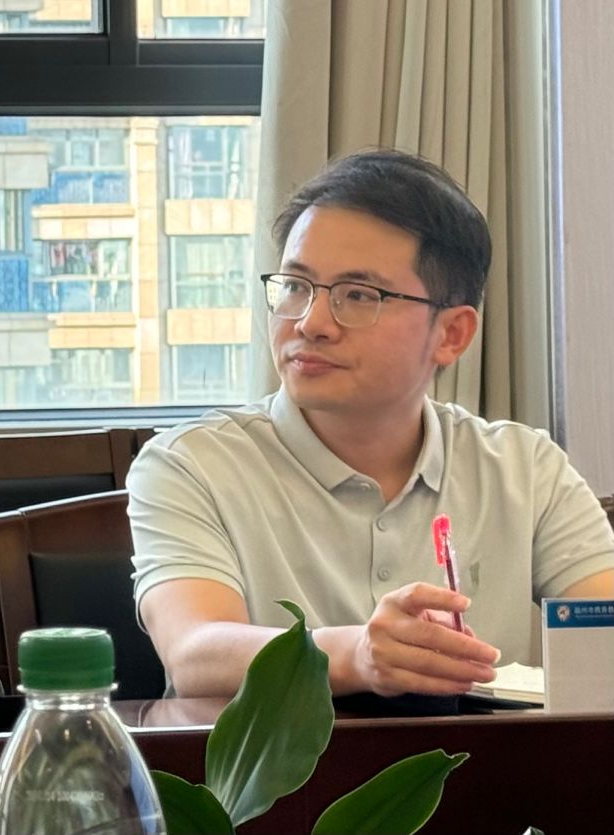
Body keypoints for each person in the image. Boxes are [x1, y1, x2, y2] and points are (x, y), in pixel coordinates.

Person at [130, 148, 614, 699]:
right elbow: (194, 652)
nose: (310, 323)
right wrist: (357, 653)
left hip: (480, 756)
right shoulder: (190, 465)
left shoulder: (527, 470)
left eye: (358, 295)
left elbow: (605, 625)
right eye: (295, 286)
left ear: (452, 334)